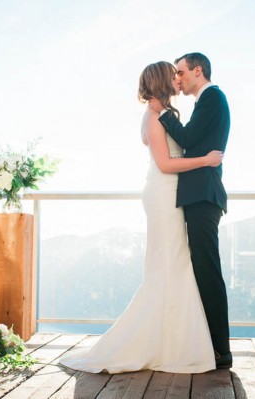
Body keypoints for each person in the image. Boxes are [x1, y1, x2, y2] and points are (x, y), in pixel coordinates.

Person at [59, 61, 223, 373]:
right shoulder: (152, 118)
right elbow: (165, 164)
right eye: (173, 75)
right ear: (163, 81)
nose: (178, 79)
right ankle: (157, 342)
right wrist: (206, 160)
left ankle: (173, 340)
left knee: (176, 262)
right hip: (164, 195)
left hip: (174, 194)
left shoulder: (166, 116)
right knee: (167, 264)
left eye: (180, 73)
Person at [149, 52, 232, 368]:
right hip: (199, 194)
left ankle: (221, 350)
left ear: (199, 71)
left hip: (203, 195)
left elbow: (186, 138)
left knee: (207, 269)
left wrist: (162, 114)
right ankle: (209, 344)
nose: (177, 79)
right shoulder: (207, 101)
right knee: (201, 267)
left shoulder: (213, 97)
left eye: (181, 72)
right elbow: (194, 143)